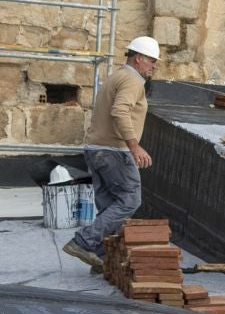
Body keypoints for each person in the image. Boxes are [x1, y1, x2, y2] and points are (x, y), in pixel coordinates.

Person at [63, 36, 161, 270]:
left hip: (96, 150)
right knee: (130, 200)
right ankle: (84, 242)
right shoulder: (132, 80)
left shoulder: (117, 76)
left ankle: (100, 258)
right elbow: (120, 111)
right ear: (139, 58)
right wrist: (134, 146)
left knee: (109, 207)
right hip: (114, 151)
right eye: (152, 60)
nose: (154, 65)